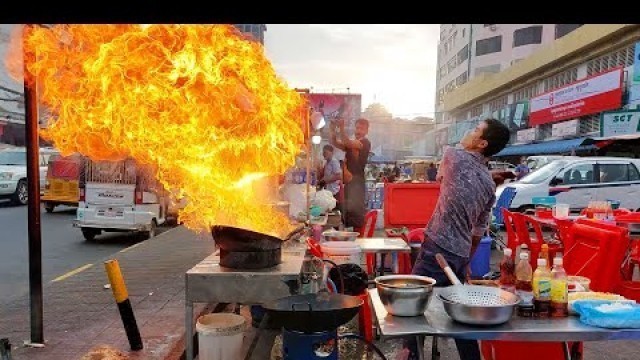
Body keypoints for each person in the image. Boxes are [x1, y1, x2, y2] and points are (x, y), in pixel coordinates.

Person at [404, 118, 510, 360]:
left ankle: (408, 354)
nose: (468, 131)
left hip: (437, 249)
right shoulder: (488, 184)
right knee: (461, 314)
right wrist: (466, 262)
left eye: (475, 130)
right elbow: (477, 232)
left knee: (413, 306)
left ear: (482, 142)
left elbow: (444, 176)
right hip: (460, 254)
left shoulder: (453, 156)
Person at [330, 117, 371, 232]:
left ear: (366, 131)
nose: (358, 131)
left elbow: (347, 142)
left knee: (356, 217)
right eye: (357, 128)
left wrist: (342, 129)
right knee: (347, 215)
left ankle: (358, 241)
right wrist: (333, 130)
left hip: (357, 184)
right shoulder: (351, 145)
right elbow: (335, 143)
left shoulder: (364, 143)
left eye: (361, 128)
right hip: (349, 184)